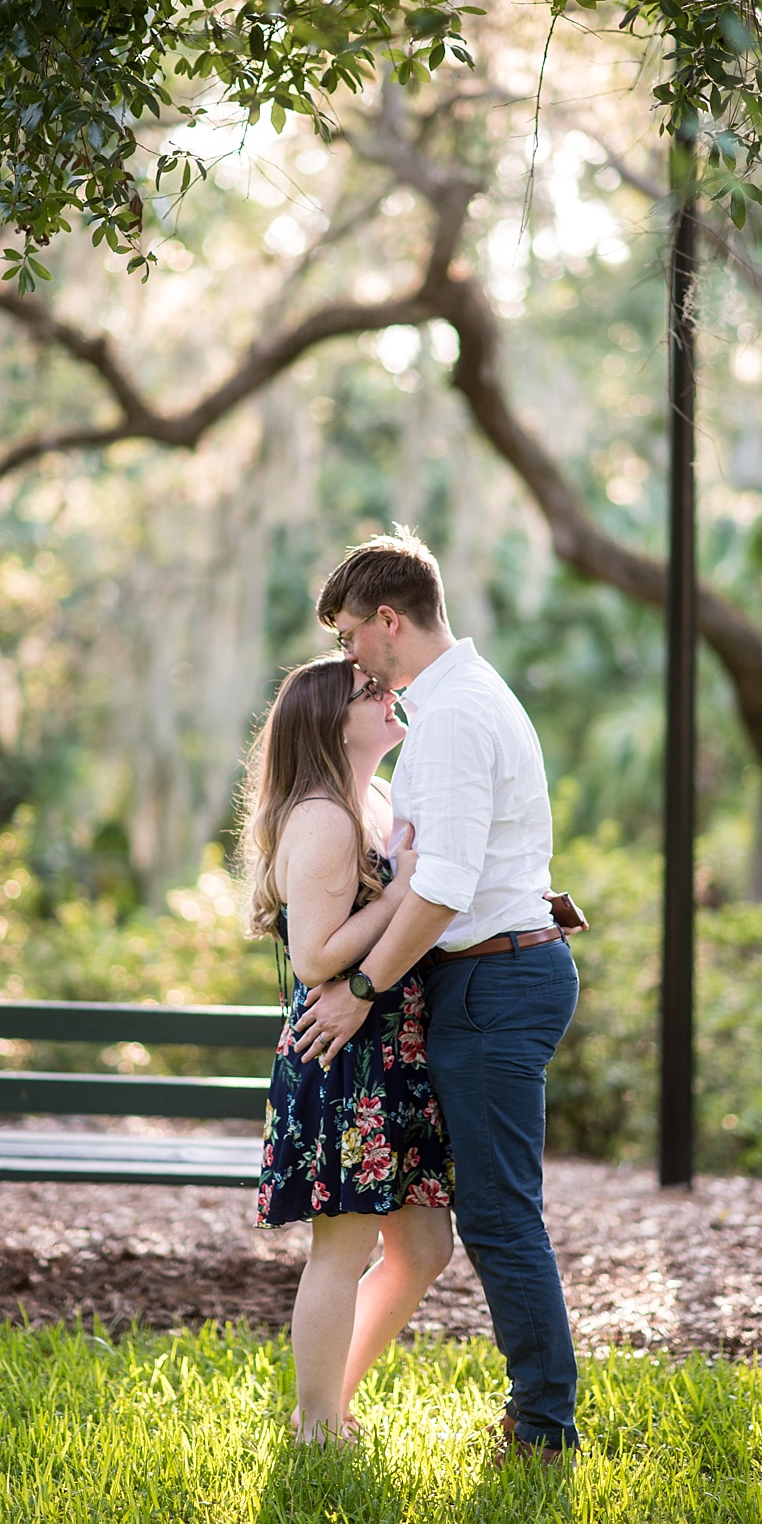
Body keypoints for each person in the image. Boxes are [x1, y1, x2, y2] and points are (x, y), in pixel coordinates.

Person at [297, 529, 581, 1465]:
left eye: (349, 635)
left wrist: (361, 990)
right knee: (488, 1213)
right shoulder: (454, 700)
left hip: (494, 980)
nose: (347, 656)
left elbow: (446, 885)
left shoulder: (455, 715)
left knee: (500, 1215)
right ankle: (527, 1418)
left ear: (389, 621)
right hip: (486, 976)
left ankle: (541, 1429)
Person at [238, 653, 454, 1444]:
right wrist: (400, 893)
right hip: (345, 1050)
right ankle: (320, 1425)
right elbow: (316, 956)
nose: (389, 694)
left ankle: (325, 1401)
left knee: (425, 1247)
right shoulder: (325, 815)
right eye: (370, 692)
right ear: (331, 722)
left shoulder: (375, 799)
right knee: (345, 1242)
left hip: (388, 1045)